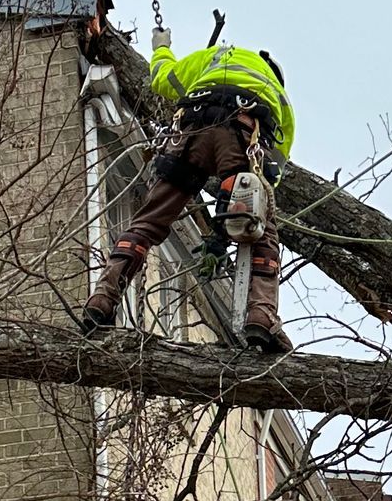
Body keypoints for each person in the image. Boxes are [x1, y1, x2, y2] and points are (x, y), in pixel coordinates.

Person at [80, 32, 295, 352]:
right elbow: (273, 171)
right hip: (240, 131)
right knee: (263, 231)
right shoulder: (278, 96)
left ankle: (103, 298)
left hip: (189, 130)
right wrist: (235, 217)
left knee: (148, 220)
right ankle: (261, 315)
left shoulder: (215, 58)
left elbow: (162, 78)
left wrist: (161, 47)